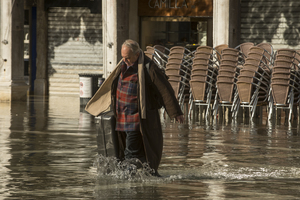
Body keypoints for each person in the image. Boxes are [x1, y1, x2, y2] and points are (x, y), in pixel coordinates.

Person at [86, 39, 184, 176]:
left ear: (137, 55)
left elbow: (165, 90)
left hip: (136, 119)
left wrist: (176, 112)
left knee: (130, 152)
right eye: (123, 57)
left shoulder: (149, 67)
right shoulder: (122, 65)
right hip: (121, 118)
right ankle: (151, 175)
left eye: (127, 57)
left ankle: (127, 183)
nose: (124, 60)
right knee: (134, 152)